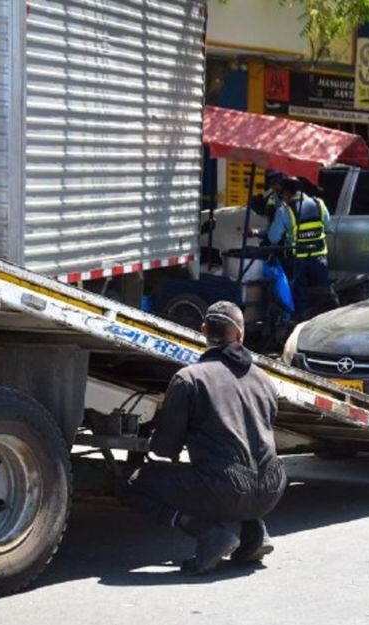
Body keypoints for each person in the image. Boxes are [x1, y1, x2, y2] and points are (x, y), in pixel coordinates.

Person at [120, 302, 287, 574]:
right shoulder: (265, 381)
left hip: (226, 489)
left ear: (203, 331)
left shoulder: (189, 379)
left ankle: (209, 534)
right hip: (272, 488)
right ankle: (254, 534)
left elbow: (165, 448)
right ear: (240, 334)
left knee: (132, 484)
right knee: (239, 473)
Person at [266, 176, 333, 315]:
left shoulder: (284, 210)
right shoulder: (319, 204)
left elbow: (273, 238)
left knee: (301, 299)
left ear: (286, 192)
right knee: (322, 297)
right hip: (320, 259)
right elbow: (327, 227)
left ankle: (302, 322)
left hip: (298, 261)